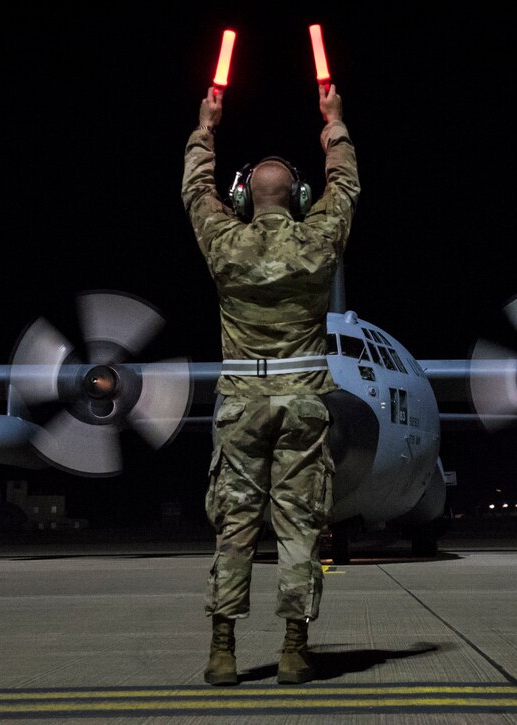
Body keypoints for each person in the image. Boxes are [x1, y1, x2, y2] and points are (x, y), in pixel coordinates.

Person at [181, 81, 359, 686]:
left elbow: (195, 190)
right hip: (303, 402)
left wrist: (206, 128)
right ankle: (293, 650)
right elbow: (345, 188)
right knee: (299, 524)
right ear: (299, 197)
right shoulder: (318, 241)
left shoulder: (224, 242)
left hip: (240, 404)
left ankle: (222, 651)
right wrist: (333, 123)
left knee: (235, 526)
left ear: (243, 198)